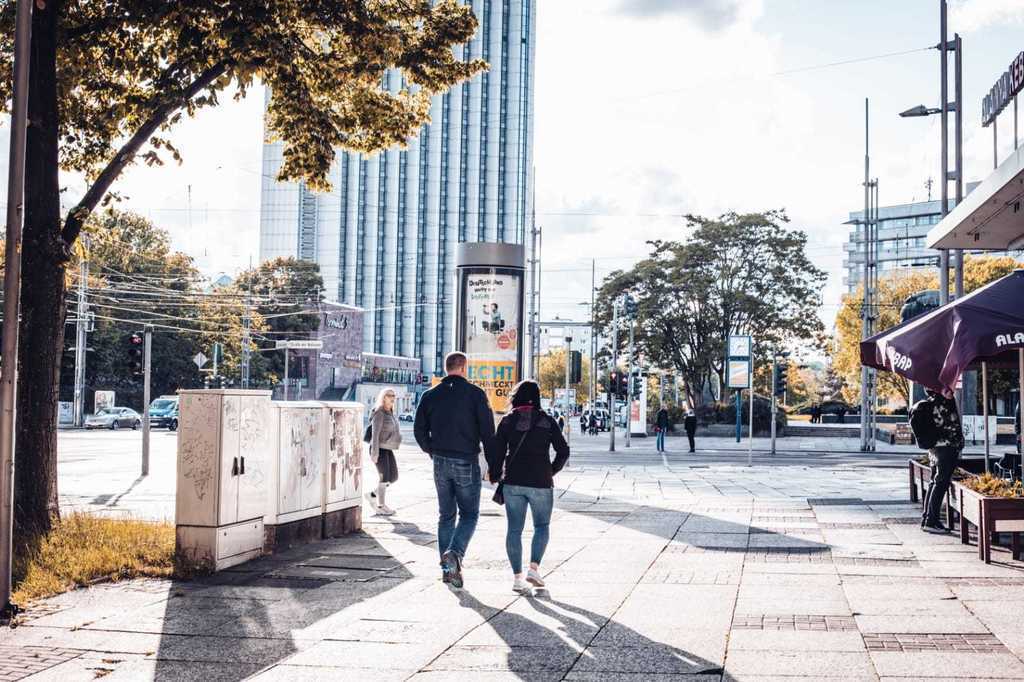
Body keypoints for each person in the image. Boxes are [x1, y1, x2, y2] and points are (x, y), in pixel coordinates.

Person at [414, 351, 495, 588]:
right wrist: (492, 465)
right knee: (469, 514)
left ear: (446, 367)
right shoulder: (476, 394)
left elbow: (420, 430)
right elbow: (488, 433)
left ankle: (448, 570)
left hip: (440, 461)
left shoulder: (430, 395)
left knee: (445, 515)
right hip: (466, 461)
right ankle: (454, 553)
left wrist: (431, 450)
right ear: (464, 367)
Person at [488, 380, 569, 594]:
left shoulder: (507, 421)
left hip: (513, 482)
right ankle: (533, 569)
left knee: (514, 529)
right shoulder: (547, 421)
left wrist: (495, 474)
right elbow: (564, 451)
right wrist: (551, 470)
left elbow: (497, 452)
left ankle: (517, 578)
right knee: (541, 526)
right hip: (541, 482)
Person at [920, 389, 964, 534]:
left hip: (936, 448)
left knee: (935, 482)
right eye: (947, 389)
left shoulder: (932, 402)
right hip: (945, 448)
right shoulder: (941, 404)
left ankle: (928, 518)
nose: (951, 391)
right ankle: (931, 521)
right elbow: (951, 425)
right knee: (940, 483)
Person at [367, 388, 402, 516]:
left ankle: (372, 495)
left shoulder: (390, 412)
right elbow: (375, 435)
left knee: (393, 477)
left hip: (387, 448)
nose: (392, 397)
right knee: (384, 478)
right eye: (389, 395)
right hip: (379, 448)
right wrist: (374, 453)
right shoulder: (379, 413)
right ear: (383, 397)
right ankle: (381, 506)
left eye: (393, 395)